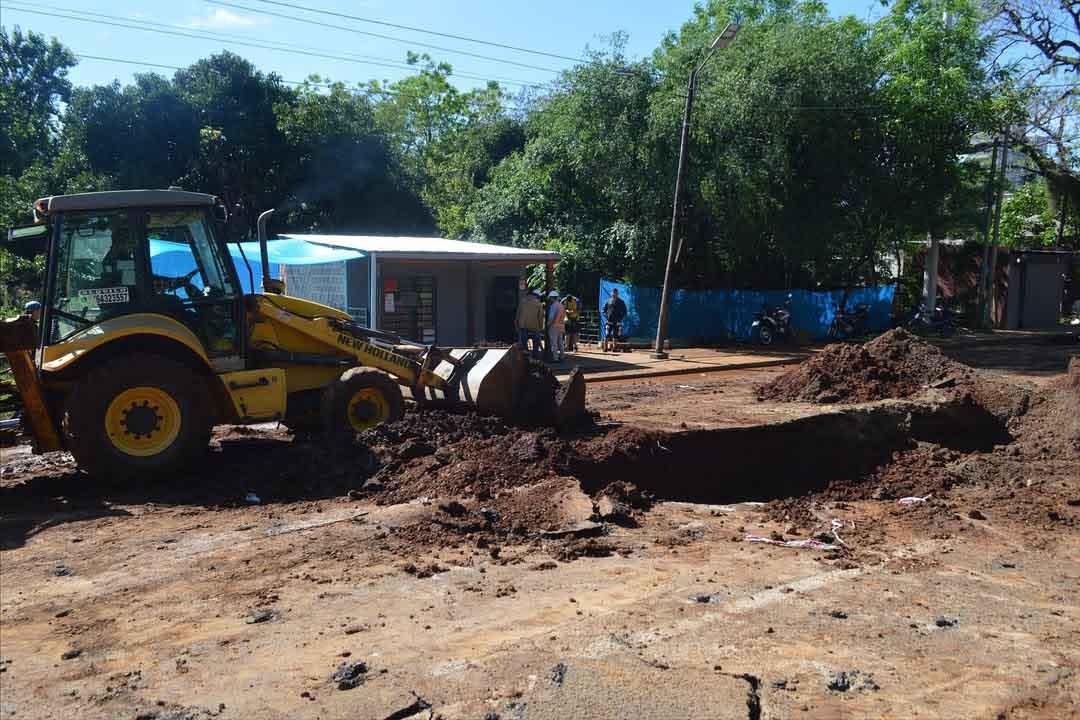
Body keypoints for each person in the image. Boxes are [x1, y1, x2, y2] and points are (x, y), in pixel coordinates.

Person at [514, 288, 544, 360]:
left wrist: (516, 325)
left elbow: (518, 315)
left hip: (523, 325)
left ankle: (525, 359)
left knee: (524, 345)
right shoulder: (538, 304)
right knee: (536, 344)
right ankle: (535, 357)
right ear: (536, 295)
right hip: (535, 326)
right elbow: (540, 317)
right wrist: (540, 327)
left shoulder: (522, 302)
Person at [602, 287, 627, 352]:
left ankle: (614, 348)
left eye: (615, 293)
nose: (614, 294)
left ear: (617, 294)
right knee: (607, 334)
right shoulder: (608, 301)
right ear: (611, 293)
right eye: (613, 293)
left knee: (615, 335)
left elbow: (625, 311)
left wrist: (620, 319)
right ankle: (605, 348)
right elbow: (603, 310)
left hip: (617, 322)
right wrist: (607, 317)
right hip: (609, 321)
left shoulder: (621, 302)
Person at [546, 290, 566, 362]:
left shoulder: (553, 306)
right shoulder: (561, 306)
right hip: (561, 326)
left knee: (554, 343)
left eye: (550, 298)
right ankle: (562, 356)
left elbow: (551, 317)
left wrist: (548, 325)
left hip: (554, 326)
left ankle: (555, 358)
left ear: (552, 298)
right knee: (560, 342)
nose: (550, 300)